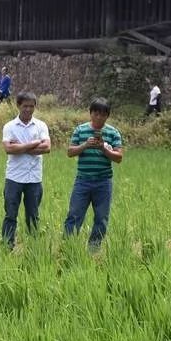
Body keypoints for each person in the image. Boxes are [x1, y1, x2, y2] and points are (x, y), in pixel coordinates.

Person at [63, 99, 124, 248]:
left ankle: (94, 249)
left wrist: (103, 148)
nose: (99, 117)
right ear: (90, 113)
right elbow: (70, 152)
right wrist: (85, 145)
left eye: (103, 114)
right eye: (96, 113)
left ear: (107, 116)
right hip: (82, 181)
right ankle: (68, 247)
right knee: (74, 215)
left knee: (101, 218)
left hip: (103, 182)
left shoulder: (113, 132)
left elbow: (119, 158)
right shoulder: (80, 130)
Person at [2, 93, 50, 247]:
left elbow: (47, 147)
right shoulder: (9, 126)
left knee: (33, 215)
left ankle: (33, 246)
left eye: (31, 106)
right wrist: (34, 143)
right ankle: (7, 246)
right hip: (14, 178)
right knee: (10, 214)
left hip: (34, 178)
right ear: (18, 106)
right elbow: (8, 149)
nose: (28, 109)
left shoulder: (41, 125)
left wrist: (20, 147)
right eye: (25, 106)